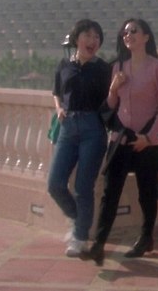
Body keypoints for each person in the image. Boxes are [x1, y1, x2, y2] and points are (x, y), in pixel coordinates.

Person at [85, 18, 158, 265]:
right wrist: (113, 89)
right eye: (125, 32)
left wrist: (150, 137)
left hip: (146, 140)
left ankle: (146, 237)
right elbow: (112, 104)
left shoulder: (157, 67)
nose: (128, 35)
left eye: (134, 31)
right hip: (121, 138)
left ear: (146, 37)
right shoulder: (118, 67)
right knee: (110, 192)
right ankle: (99, 244)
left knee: (146, 192)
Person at [48, 19, 111, 257]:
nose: (93, 41)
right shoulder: (65, 65)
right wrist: (58, 108)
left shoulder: (103, 69)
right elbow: (57, 92)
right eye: (88, 35)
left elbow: (110, 102)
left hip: (93, 129)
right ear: (77, 38)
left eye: (97, 37)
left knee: (84, 187)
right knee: (55, 184)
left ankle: (80, 237)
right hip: (68, 127)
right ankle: (78, 220)